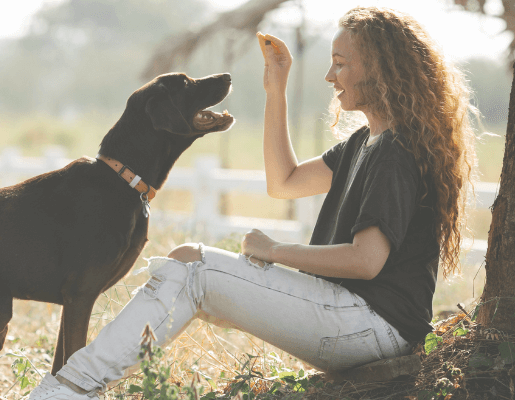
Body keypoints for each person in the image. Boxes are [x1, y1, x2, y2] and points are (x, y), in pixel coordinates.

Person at [27, 6, 478, 399]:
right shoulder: (367, 141)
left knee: (194, 268)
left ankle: (63, 391)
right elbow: (283, 182)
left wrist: (272, 252)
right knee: (189, 266)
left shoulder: (394, 151)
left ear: (378, 67)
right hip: (355, 320)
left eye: (340, 64)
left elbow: (366, 262)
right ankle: (71, 387)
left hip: (372, 328)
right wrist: (275, 91)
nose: (329, 77)